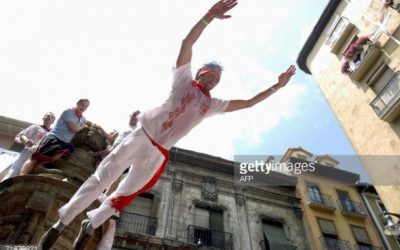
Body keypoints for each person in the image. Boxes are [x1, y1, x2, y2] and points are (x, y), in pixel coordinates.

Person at [38, 1, 296, 249]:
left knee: (126, 194)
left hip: (158, 151)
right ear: (199, 73)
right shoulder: (183, 80)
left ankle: (91, 222)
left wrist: (277, 86)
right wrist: (208, 16)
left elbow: (249, 103)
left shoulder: (211, 104)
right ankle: (62, 223)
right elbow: (187, 43)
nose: (213, 81)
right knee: (103, 177)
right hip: (142, 135)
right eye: (210, 75)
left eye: (217, 79)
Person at [20, 99, 91, 175]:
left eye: (86, 106)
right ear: (77, 104)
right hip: (55, 137)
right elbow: (73, 128)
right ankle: (22, 176)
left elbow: (87, 123)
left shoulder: (83, 118)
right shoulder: (68, 112)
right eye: (82, 104)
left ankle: (37, 170)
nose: (83, 107)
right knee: (35, 158)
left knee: (60, 154)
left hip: (65, 142)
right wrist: (82, 126)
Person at [1, 112, 55, 182]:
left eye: (51, 116)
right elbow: (21, 135)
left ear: (53, 121)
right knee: (15, 170)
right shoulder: (35, 127)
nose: (48, 117)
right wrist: (26, 140)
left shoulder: (52, 133)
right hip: (28, 153)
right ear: (43, 118)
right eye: (46, 115)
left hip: (39, 157)